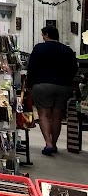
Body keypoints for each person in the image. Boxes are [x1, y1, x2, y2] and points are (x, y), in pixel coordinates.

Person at [28, 25, 78, 156]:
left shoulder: (39, 48)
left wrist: (30, 85)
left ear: (46, 35)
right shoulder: (67, 50)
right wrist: (67, 81)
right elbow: (74, 68)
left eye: (43, 35)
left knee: (43, 114)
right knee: (57, 116)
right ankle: (54, 144)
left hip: (42, 86)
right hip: (63, 87)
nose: (42, 38)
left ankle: (48, 143)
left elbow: (31, 68)